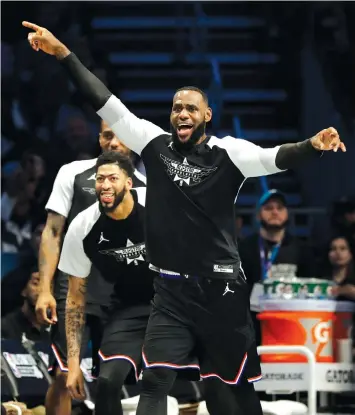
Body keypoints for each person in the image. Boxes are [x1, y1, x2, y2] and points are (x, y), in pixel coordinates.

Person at [23, 21, 347, 415]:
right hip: (171, 292)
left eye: (190, 108)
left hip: (222, 291)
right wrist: (62, 53)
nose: (181, 113)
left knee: (234, 391)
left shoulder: (230, 153)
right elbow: (105, 101)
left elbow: (275, 157)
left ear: (207, 114)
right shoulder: (154, 145)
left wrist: (312, 146)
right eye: (176, 108)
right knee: (154, 379)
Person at [34, 117, 146, 414]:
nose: (113, 142)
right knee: (63, 374)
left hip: (120, 293)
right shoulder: (72, 172)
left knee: (108, 377)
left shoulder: (150, 186)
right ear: (98, 139)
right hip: (72, 285)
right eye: (107, 136)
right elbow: (52, 231)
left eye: (120, 136)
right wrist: (44, 289)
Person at [59, 151, 164, 415]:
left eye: (113, 178)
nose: (105, 185)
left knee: (158, 380)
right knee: (107, 381)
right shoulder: (82, 227)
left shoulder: (158, 204)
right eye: (100, 179)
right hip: (128, 310)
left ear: (129, 183)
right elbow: (74, 299)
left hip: (173, 303)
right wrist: (73, 365)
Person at [239, 189, 316, 342]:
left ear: (287, 214)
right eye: (268, 208)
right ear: (258, 215)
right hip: (254, 323)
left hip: (292, 321)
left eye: (279, 208)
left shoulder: (302, 248)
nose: (275, 212)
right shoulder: (244, 248)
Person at [1, 270, 50, 343]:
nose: (42, 290)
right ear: (23, 290)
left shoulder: (58, 331)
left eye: (50, 285)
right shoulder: (5, 327)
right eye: (36, 283)